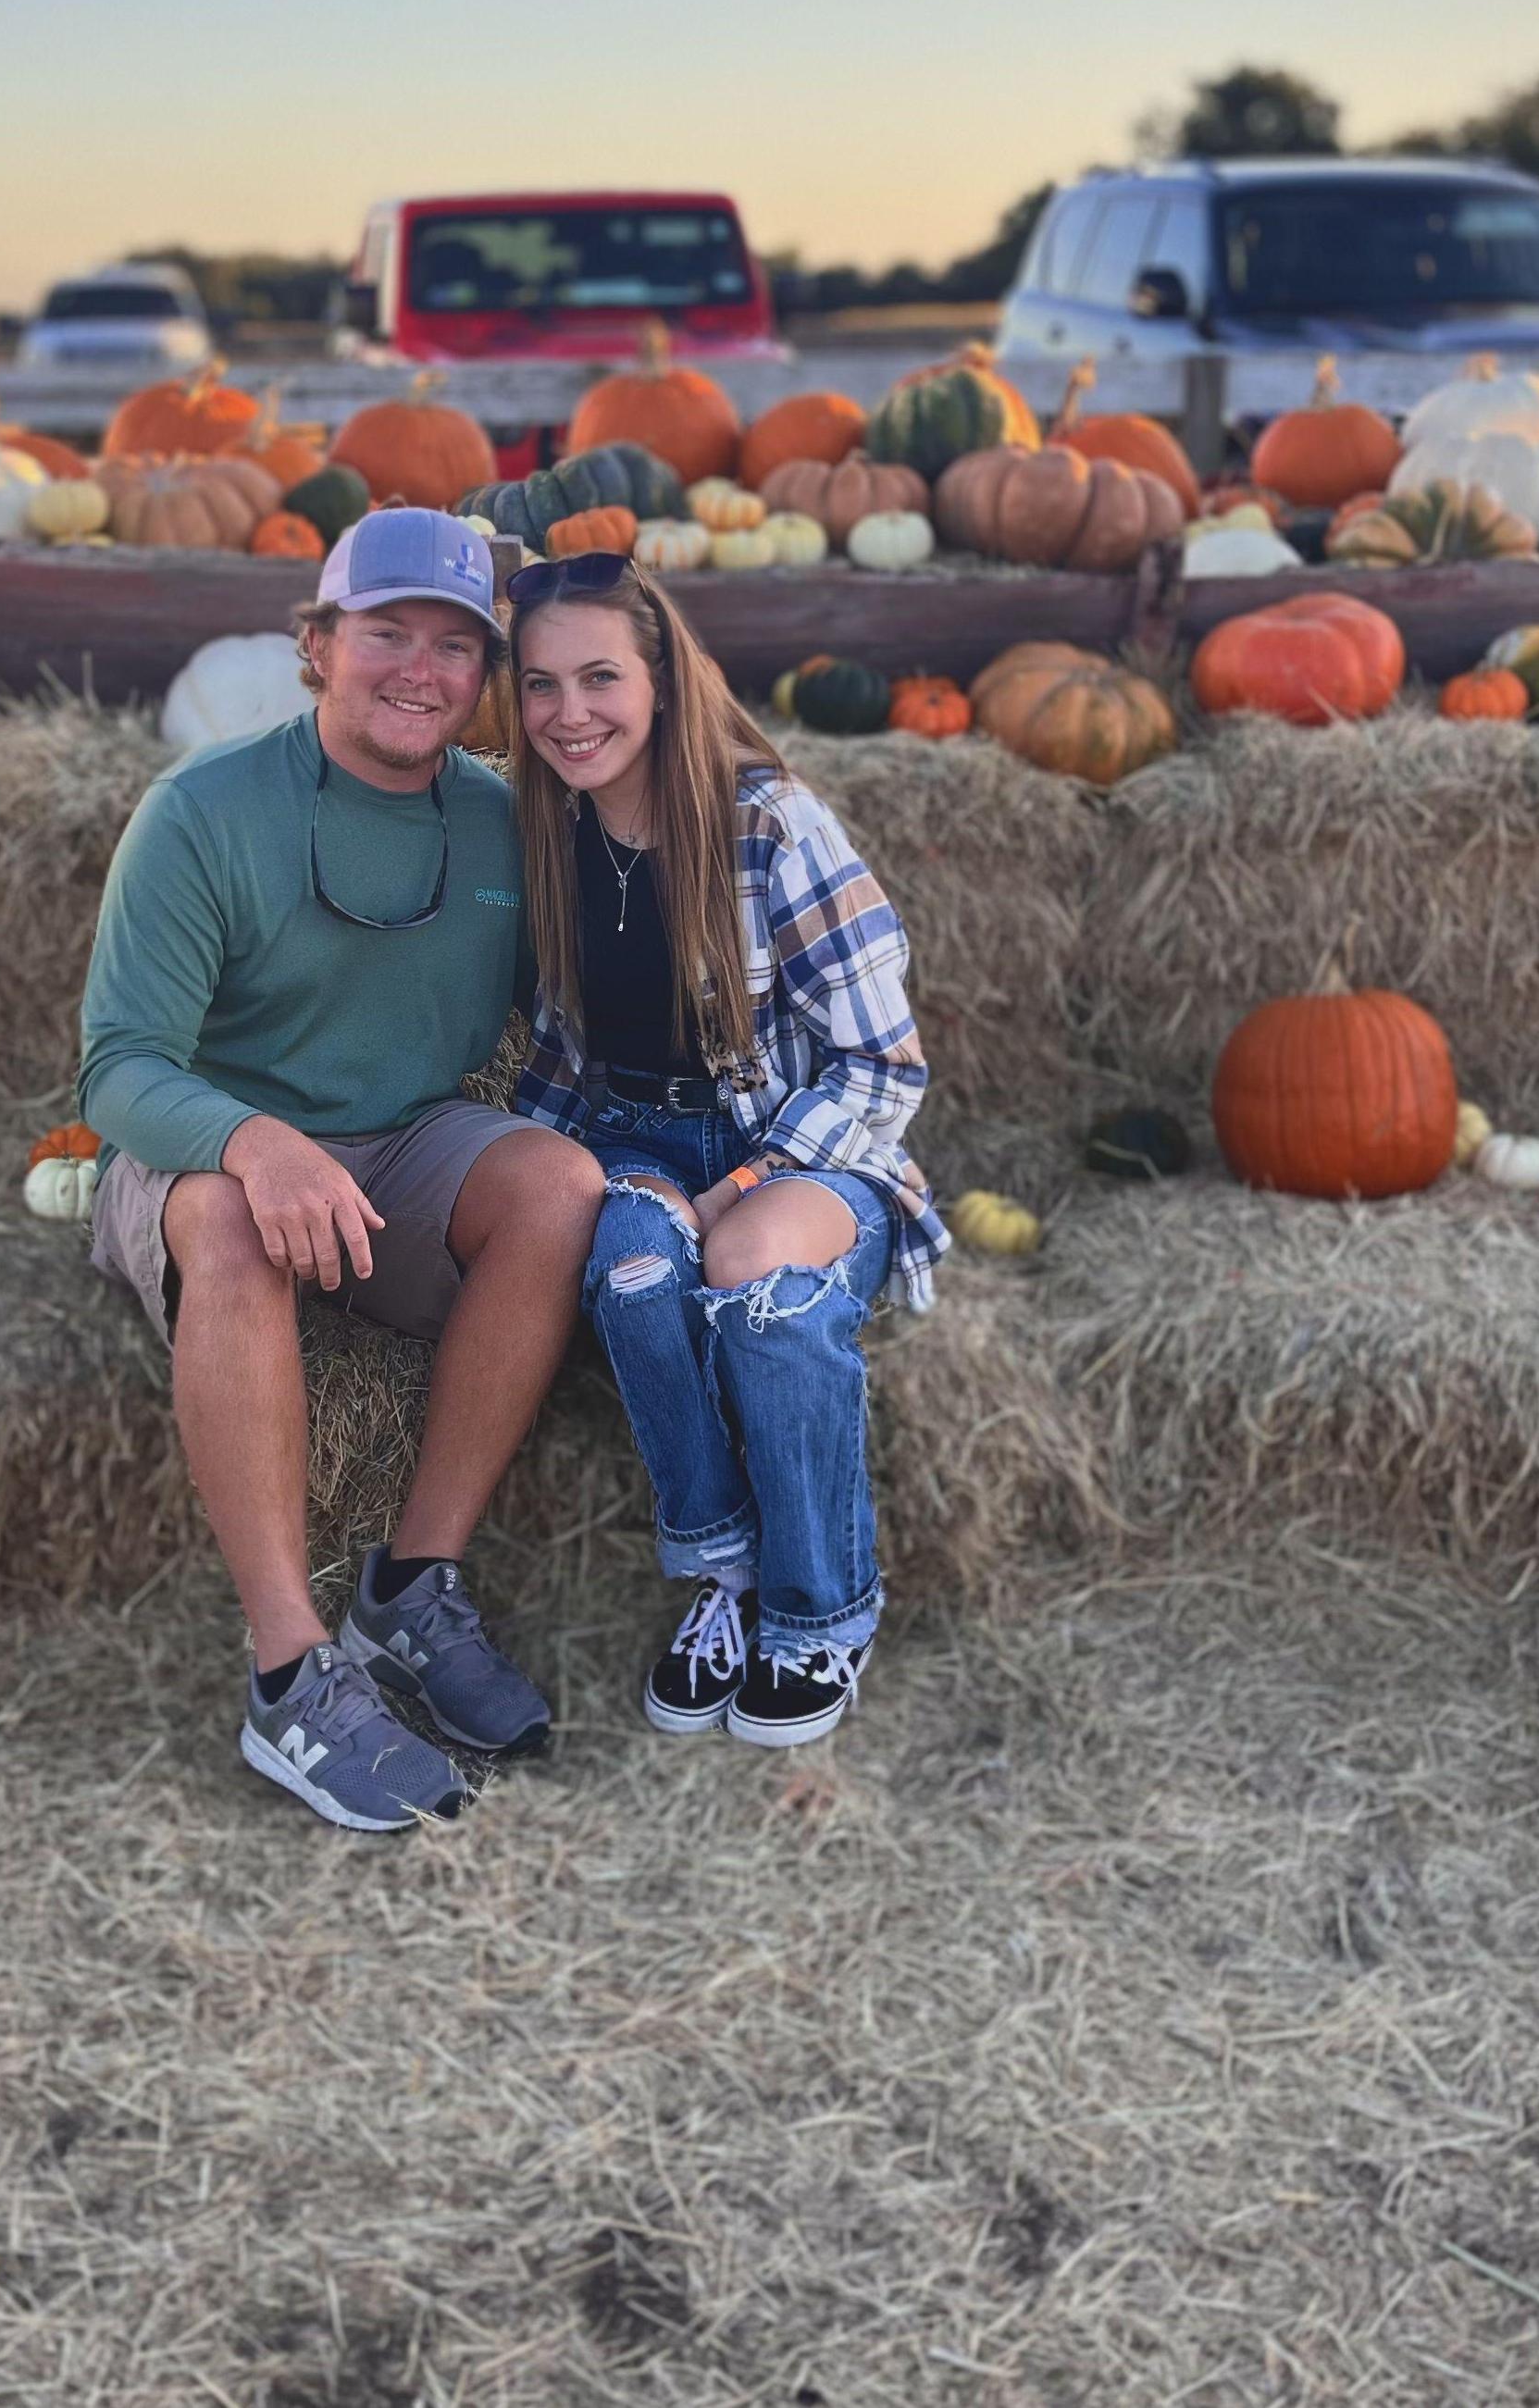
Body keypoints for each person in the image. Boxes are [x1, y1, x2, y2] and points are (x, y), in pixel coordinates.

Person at [78, 508, 606, 1833]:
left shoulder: (502, 825)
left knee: (558, 1187)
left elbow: (603, 1000)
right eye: (385, 635)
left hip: (402, 1146)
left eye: (453, 645)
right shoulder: (197, 811)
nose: (419, 670)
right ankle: (289, 1671)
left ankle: (411, 1589)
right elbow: (121, 1070)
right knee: (238, 1229)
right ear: (315, 646)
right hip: (204, 1150)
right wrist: (257, 1143)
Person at [506, 553, 949, 1747]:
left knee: (760, 1295)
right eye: (539, 686)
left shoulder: (765, 824)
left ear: (662, 677)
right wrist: (506, 1193)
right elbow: (560, 1057)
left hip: (796, 1143)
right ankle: (731, 1577)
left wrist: (745, 1182)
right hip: (632, 1135)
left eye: (599, 677)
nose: (568, 713)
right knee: (638, 1270)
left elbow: (884, 1066)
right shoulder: (549, 828)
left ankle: (823, 1615)